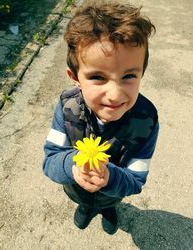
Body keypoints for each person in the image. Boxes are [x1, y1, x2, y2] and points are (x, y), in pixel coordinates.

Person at [42, 0, 159, 235]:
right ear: (75, 77)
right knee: (84, 202)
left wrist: (110, 177)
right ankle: (85, 207)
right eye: (97, 77)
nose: (114, 95)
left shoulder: (146, 121)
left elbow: (136, 181)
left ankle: (108, 211)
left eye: (128, 76)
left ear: (142, 72)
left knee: (109, 203)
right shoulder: (67, 107)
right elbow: (50, 160)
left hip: (112, 195)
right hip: (76, 188)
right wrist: (74, 167)